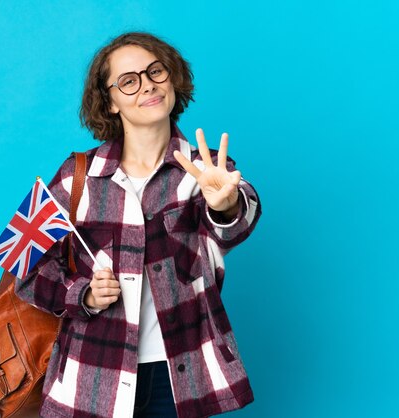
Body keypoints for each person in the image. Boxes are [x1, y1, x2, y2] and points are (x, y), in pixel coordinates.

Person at [15, 32, 261, 418]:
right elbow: (25, 269)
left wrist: (226, 203)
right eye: (129, 80)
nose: (147, 84)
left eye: (155, 71)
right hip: (92, 379)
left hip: (180, 379)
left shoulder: (208, 169)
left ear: (172, 79)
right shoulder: (76, 175)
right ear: (110, 102)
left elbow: (237, 223)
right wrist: (82, 295)